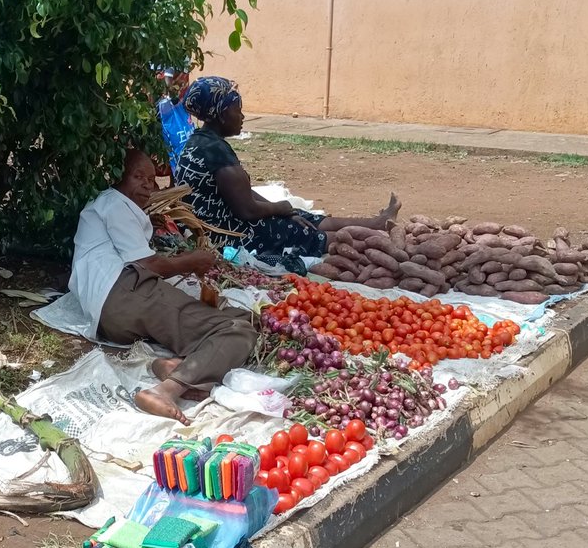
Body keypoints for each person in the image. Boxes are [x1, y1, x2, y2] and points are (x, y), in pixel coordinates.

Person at [71, 149, 258, 424]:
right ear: (118, 177)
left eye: (151, 179)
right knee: (238, 330)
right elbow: (150, 265)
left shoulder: (108, 207)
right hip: (123, 292)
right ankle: (166, 390)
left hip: (113, 308)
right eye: (138, 177)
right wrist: (192, 261)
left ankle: (175, 365)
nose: (148, 185)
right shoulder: (114, 204)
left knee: (244, 317)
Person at [176, 76, 399, 271]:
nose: (242, 116)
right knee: (305, 233)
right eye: (237, 110)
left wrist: (284, 209)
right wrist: (279, 208)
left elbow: (244, 193)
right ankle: (378, 243)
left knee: (302, 217)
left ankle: (377, 223)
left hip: (224, 222)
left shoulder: (200, 142)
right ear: (222, 114)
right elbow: (247, 210)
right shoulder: (215, 152)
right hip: (224, 237)